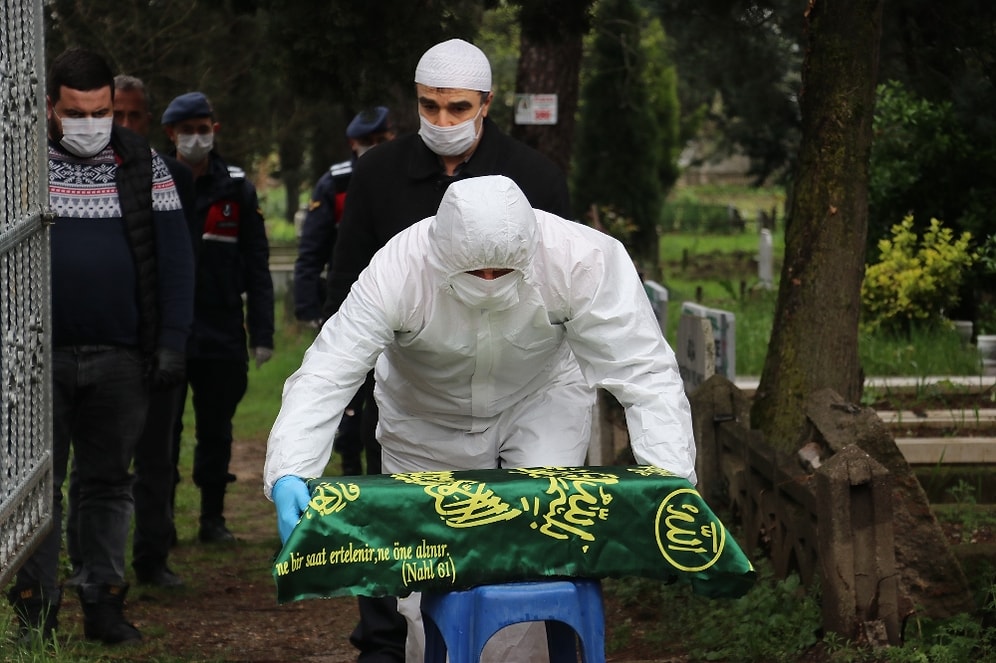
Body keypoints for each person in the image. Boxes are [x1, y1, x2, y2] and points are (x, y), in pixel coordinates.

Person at [265, 175, 697, 662]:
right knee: (425, 582)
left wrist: (671, 476)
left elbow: (644, 370)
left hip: (541, 399)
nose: (490, 282)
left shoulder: (581, 258)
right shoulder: (399, 268)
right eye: (476, 273)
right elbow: (329, 372)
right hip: (424, 415)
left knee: (535, 561)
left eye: (502, 271)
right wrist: (290, 468)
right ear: (441, 255)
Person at [321, 38, 571, 662]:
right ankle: (390, 644)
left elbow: (562, 285)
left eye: (458, 108)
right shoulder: (377, 175)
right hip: (410, 381)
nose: (441, 122)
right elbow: (348, 281)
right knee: (404, 528)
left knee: (520, 530)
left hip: (516, 383)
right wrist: (349, 394)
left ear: (487, 104)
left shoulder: (535, 178)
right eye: (429, 107)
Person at [6, 48, 195, 645]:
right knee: (40, 488)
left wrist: (169, 344)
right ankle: (36, 609)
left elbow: (176, 266)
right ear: (50, 109)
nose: (91, 124)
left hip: (121, 357)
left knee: (110, 483)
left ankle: (104, 603)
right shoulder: (20, 168)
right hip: (37, 358)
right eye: (76, 112)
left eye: (102, 111)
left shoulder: (145, 167)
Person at [64, 74, 196, 590]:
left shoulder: (166, 174)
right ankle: (87, 566)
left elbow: (178, 262)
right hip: (101, 344)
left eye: (130, 116)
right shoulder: (65, 169)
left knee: (156, 457)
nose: (119, 126)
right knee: (94, 464)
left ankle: (152, 556)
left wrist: (172, 340)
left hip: (153, 342)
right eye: (110, 114)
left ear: (148, 121)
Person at [161, 91, 275, 544]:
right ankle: (160, 520)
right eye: (186, 130)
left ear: (215, 130)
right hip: (168, 330)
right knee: (163, 431)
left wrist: (262, 333)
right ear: (171, 133)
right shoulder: (156, 182)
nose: (195, 137)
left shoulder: (236, 190)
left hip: (221, 330)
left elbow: (257, 265)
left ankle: (212, 517)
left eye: (202, 128)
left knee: (216, 428)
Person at [294, 106, 396, 477]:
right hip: (350, 308)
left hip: (399, 307)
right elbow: (312, 251)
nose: (372, 148)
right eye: (365, 142)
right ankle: (352, 471)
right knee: (350, 400)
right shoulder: (336, 183)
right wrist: (308, 309)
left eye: (379, 141)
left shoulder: (406, 176)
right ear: (353, 143)